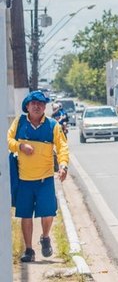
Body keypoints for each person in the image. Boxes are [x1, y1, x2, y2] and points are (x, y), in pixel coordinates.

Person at [7, 90, 70, 263]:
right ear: (27, 106)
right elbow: (8, 140)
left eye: (41, 104)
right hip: (24, 180)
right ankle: (29, 250)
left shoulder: (52, 125)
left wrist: (63, 165)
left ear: (44, 107)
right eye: (33, 103)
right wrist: (21, 146)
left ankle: (45, 237)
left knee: (48, 213)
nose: (37, 106)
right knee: (25, 215)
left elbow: (62, 146)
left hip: (45, 179)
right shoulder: (19, 122)